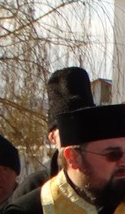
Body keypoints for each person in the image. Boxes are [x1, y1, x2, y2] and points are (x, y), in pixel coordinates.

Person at [13, 65, 96, 201]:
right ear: (52, 137)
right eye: (67, 129)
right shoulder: (31, 190)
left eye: (85, 127)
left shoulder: (118, 185)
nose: (77, 136)